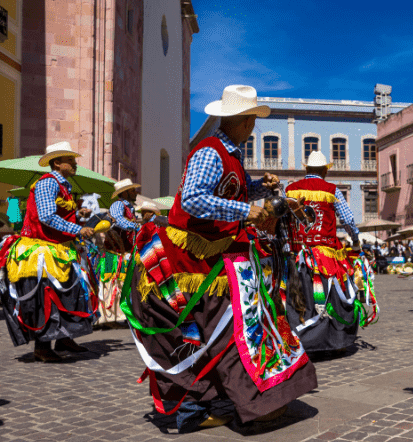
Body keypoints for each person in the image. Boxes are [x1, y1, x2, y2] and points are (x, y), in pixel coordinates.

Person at [125, 85, 317, 432]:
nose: (252, 129)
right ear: (242, 122)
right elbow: (194, 199)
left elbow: (227, 191)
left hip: (218, 255)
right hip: (192, 260)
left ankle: (229, 399)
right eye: (251, 122)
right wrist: (247, 210)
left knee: (227, 328)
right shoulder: (210, 152)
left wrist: (259, 186)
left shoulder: (231, 155)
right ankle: (207, 407)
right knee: (218, 330)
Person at [0, 141, 96, 362]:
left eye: (74, 160)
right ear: (57, 163)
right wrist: (79, 228)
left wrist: (78, 213)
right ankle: (42, 348)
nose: (75, 164)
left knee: (70, 294)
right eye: (70, 160)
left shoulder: (64, 187)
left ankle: (64, 338)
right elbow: (46, 217)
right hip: (41, 250)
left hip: (59, 248)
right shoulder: (47, 183)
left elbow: (58, 215)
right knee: (47, 295)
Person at [284, 151, 372, 353]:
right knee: (334, 296)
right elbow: (348, 220)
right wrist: (356, 239)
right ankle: (334, 341)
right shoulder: (332, 190)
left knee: (298, 297)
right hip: (325, 256)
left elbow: (283, 219)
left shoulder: (290, 190)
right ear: (325, 170)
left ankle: (300, 340)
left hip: (297, 254)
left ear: (306, 169)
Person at [95, 178, 141, 327]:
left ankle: (119, 316)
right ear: (126, 192)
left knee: (122, 284)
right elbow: (118, 220)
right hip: (114, 254)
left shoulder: (130, 209)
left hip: (124, 253)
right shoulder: (118, 205)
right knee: (111, 284)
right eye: (133, 190)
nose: (136, 193)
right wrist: (136, 227)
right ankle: (109, 318)